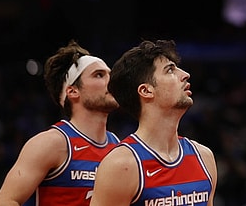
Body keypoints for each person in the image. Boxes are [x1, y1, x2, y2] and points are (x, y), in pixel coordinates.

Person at [0, 40, 120, 206]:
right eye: (99, 75)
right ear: (73, 91)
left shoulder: (118, 146)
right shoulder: (51, 143)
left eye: (110, 74)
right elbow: (5, 201)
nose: (111, 81)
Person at [90, 39, 216, 206]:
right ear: (146, 90)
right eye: (170, 70)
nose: (185, 74)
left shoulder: (204, 156)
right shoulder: (121, 165)